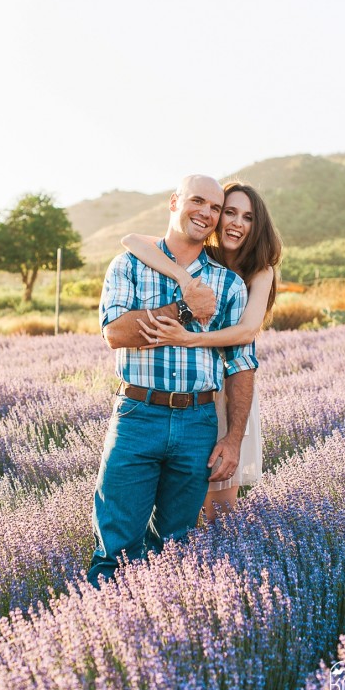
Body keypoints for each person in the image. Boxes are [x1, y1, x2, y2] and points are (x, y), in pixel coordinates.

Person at [87, 175, 258, 588]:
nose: (206, 212)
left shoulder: (229, 284)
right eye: (197, 201)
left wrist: (233, 438)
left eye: (215, 208)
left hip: (197, 421)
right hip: (137, 416)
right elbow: (117, 332)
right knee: (116, 548)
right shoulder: (128, 265)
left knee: (179, 549)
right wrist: (185, 307)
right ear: (174, 202)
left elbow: (240, 364)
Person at [122, 181, 282, 521]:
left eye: (248, 217)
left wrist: (188, 338)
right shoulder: (200, 257)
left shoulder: (259, 270)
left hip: (229, 388)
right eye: (230, 212)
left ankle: (218, 567)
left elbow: (247, 331)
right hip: (190, 392)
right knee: (174, 505)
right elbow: (132, 241)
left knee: (218, 506)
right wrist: (183, 278)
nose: (237, 223)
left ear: (258, 225)